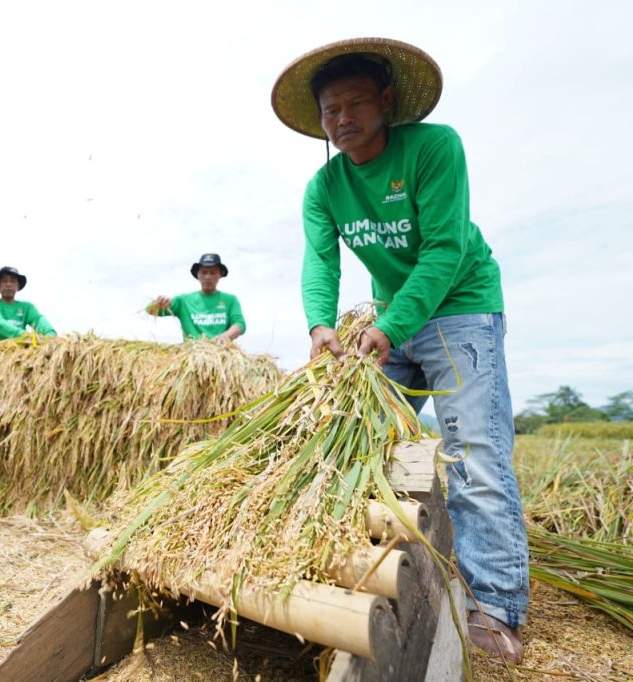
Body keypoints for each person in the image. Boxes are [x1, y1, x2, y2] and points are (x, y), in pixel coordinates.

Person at [272, 38, 528, 662]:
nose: (343, 120)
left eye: (356, 103)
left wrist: (393, 325)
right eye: (331, 110)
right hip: (391, 316)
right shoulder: (324, 186)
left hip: (460, 307)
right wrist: (318, 326)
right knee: (357, 442)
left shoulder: (434, 148)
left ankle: (494, 607)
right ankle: (360, 572)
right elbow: (321, 262)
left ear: (387, 100)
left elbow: (445, 249)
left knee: (474, 450)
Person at [149, 253, 246, 343]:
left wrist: (224, 337)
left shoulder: (230, 300)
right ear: (197, 275)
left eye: (212, 273)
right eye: (204, 272)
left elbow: (239, 324)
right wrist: (161, 302)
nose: (208, 277)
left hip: (220, 355)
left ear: (220, 274)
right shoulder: (183, 301)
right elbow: (151, 310)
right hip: (191, 354)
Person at [0, 266, 56, 346]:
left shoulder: (27, 307)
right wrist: (25, 336)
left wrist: (50, 335)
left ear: (18, 286)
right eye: (4, 281)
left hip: (19, 353)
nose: (8, 284)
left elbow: (38, 320)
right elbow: (0, 324)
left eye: (12, 281)